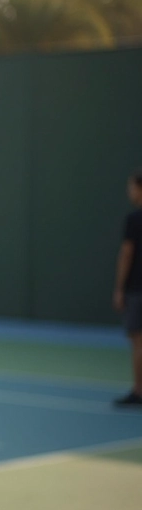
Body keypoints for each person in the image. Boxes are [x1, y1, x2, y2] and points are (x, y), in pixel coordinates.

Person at [112, 170, 142, 407]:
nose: (129, 191)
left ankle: (139, 391)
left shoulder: (134, 219)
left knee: (138, 340)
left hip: (137, 289)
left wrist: (120, 288)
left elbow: (127, 253)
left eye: (131, 187)